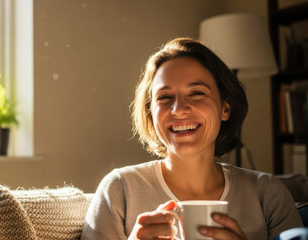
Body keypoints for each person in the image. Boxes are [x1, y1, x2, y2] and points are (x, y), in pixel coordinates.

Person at [80, 38, 302, 240]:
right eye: (165, 97)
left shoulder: (268, 193)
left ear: (225, 108)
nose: (179, 110)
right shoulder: (119, 189)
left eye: (197, 93)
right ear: (150, 112)